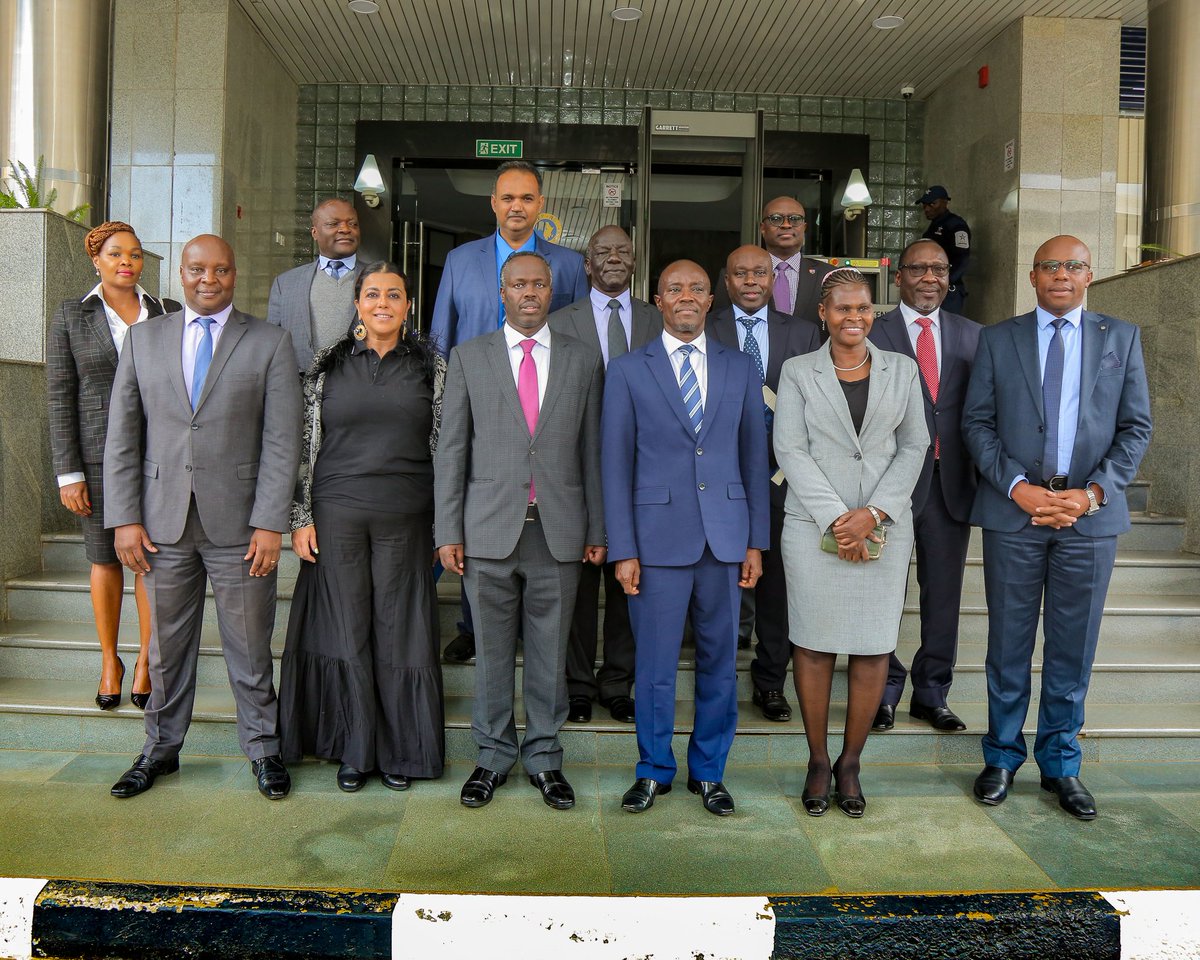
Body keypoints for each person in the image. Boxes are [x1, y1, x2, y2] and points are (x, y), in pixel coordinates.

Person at [103, 234, 302, 801]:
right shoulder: (144, 340)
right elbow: (123, 438)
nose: (207, 279)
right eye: (196, 269)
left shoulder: (269, 342)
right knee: (165, 647)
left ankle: (264, 749)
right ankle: (160, 750)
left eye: (219, 270)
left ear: (234, 275)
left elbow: (281, 441)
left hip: (241, 527)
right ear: (181, 274)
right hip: (160, 524)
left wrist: (270, 522)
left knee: (249, 643)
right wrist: (124, 518)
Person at [962, 235, 1151, 821]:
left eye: (1072, 266)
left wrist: (1090, 494)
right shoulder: (998, 339)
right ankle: (1000, 755)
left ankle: (1061, 765)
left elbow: (1135, 429)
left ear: (1089, 275)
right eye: (1050, 266)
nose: (1061, 275)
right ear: (1033, 276)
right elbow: (978, 424)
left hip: (1087, 519)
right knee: (1007, 644)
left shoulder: (1120, 337)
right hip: (1014, 513)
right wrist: (1019, 489)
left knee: (1073, 648)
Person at [434, 250, 605, 811]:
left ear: (551, 291)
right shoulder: (469, 357)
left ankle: (544, 757)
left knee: (550, 654)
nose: (529, 292)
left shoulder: (583, 360)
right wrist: (446, 529)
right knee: (491, 652)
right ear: (501, 292)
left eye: (539, 284)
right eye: (518, 284)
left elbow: (592, 452)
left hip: (558, 529)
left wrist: (596, 527)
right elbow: (452, 448)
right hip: (486, 529)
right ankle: (490, 756)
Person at [602, 260, 769, 817]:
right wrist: (623, 548)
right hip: (655, 544)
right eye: (675, 289)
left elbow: (753, 458)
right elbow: (614, 464)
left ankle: (709, 772)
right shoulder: (628, 370)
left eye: (697, 288)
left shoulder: (740, 367)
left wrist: (755, 542)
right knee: (653, 664)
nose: (687, 297)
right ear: (658, 299)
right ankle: (653, 770)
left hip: (724, 541)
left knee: (721, 661)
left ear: (710, 298)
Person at [279, 263, 446, 792]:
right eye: (372, 294)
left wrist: (447, 524)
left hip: (408, 517)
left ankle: (401, 752)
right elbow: (306, 446)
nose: (382, 303)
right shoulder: (328, 367)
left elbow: (448, 449)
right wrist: (300, 517)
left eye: (393, 295)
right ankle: (354, 750)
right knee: (346, 630)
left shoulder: (433, 369)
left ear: (408, 306)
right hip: (337, 515)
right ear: (357, 304)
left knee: (400, 632)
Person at [773, 268, 928, 818]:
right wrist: (841, 519)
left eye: (863, 307)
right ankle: (818, 760)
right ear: (823, 313)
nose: (854, 318)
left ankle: (851, 762)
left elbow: (914, 446)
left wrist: (874, 514)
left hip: (884, 527)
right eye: (842, 308)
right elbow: (790, 449)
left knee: (873, 648)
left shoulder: (902, 370)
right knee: (812, 645)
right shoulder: (797, 372)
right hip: (814, 525)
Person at [429, 160, 590, 664]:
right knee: (484, 515)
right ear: (493, 204)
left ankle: (529, 633)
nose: (517, 206)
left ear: (540, 206)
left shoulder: (565, 264)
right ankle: (474, 627)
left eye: (527, 198)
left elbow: (580, 333)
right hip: (477, 399)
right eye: (508, 198)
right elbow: (441, 335)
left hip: (543, 403)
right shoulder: (461, 260)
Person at [46, 221, 179, 711]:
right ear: (96, 260)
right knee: (105, 558)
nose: (127, 261)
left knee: (150, 557)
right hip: (99, 457)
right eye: (116, 253)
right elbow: (60, 395)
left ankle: (146, 659)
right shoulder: (72, 315)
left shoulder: (167, 313)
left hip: (160, 455)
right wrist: (69, 472)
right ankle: (110, 659)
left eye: (136, 254)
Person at [547, 225, 661, 725]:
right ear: (587, 265)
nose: (613, 258)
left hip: (642, 472)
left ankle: (617, 681)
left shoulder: (659, 320)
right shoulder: (558, 321)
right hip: (573, 469)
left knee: (627, 582)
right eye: (602, 252)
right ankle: (576, 685)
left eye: (623, 252)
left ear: (634, 263)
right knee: (575, 582)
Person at [867, 239, 982, 732]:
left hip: (948, 482)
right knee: (882, 590)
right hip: (886, 484)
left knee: (943, 595)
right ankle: (883, 691)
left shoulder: (976, 335)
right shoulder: (873, 330)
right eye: (918, 269)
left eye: (939, 269)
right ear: (899, 277)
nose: (929, 277)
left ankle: (931, 693)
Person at [707, 244, 821, 722]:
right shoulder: (705, 329)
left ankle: (771, 681)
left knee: (777, 587)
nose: (751, 281)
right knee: (721, 585)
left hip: (784, 479)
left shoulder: (804, 332)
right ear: (726, 281)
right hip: (718, 479)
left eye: (760, 272)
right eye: (740, 273)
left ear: (774, 279)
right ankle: (719, 682)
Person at [268, 198, 364, 373]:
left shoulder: (379, 279)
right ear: (314, 232)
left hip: (360, 390)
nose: (345, 229)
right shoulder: (286, 284)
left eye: (353, 224)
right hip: (300, 391)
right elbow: (272, 346)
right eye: (333, 224)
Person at [713, 197, 834, 330]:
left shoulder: (828, 275)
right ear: (763, 228)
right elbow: (720, 325)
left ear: (804, 228)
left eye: (795, 219)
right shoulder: (733, 275)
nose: (786, 225)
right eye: (776, 219)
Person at [916, 186, 971, 315]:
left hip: (949, 291)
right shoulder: (933, 226)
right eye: (924, 205)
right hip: (932, 287)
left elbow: (962, 259)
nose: (927, 209)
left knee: (947, 331)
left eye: (932, 204)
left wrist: (945, 282)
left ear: (945, 202)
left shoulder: (956, 225)